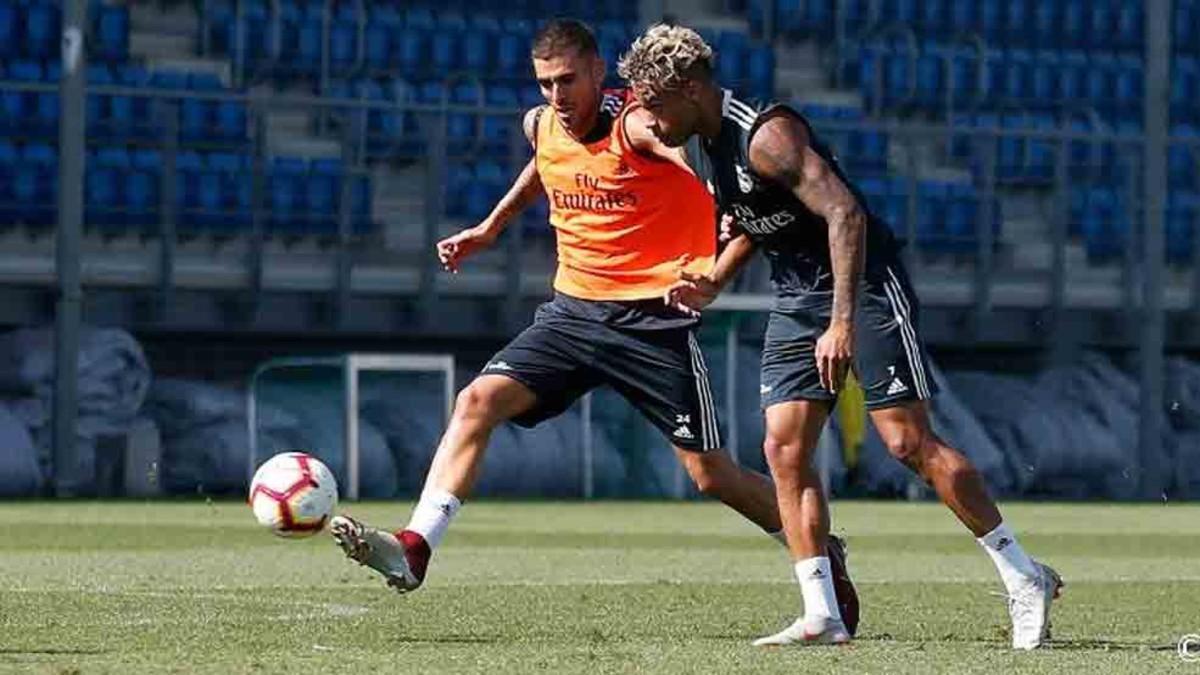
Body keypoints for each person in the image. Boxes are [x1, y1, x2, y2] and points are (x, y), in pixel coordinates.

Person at [328, 18, 859, 631]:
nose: (558, 95)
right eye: (546, 83)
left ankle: (819, 546)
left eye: (568, 80)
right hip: (573, 313)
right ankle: (416, 547)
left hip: (653, 321)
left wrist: (718, 191)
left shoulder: (638, 124)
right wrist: (490, 229)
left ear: (598, 72)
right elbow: (544, 161)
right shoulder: (542, 122)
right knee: (476, 401)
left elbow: (681, 149)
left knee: (709, 473)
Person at [619, 23, 1061, 650]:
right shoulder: (704, 145)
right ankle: (821, 612)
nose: (649, 121)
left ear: (690, 90)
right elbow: (755, 217)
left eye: (653, 105)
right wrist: (714, 279)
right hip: (797, 296)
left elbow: (844, 213)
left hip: (866, 288)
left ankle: (1023, 575)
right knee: (784, 449)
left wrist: (844, 322)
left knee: (906, 441)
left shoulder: (766, 134)